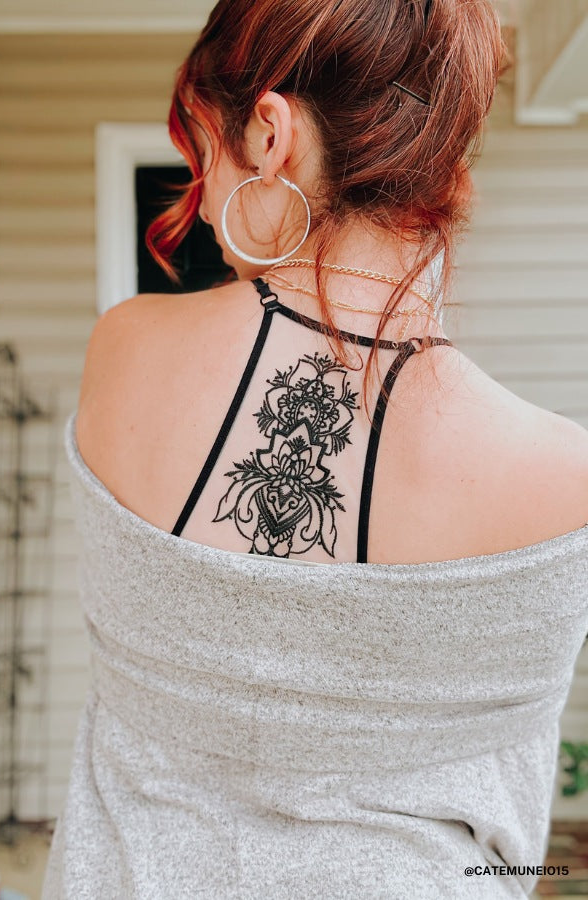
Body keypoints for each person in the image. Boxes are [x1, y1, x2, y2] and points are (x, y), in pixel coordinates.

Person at [42, 1, 588, 897]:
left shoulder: (126, 352)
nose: (205, 197)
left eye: (200, 150)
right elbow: (516, 841)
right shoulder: (563, 483)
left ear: (268, 134)